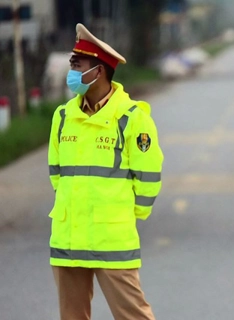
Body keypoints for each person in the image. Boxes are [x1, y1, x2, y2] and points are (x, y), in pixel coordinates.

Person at [47, 23, 163, 320]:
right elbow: (57, 176)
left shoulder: (132, 118)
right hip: (68, 240)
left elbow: (148, 179)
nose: (71, 70)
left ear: (97, 71)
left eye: (77, 64)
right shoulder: (62, 117)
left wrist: (124, 215)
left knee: (133, 316)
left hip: (112, 241)